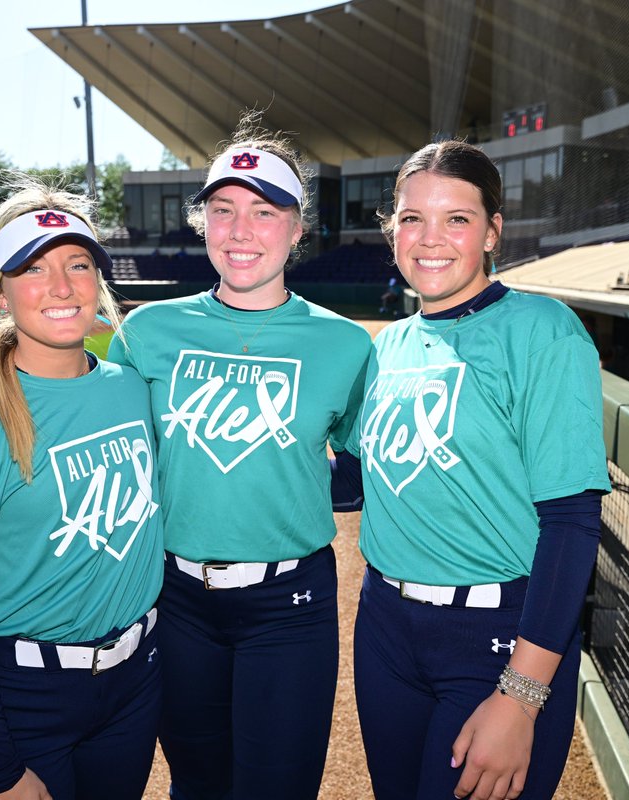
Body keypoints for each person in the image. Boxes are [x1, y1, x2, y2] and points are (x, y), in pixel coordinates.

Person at [107, 117, 372, 800]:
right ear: (204, 224)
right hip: (176, 600)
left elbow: (366, 462)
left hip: (291, 602)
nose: (240, 229)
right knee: (196, 784)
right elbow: (121, 463)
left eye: (263, 211)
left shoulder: (343, 345)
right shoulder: (147, 333)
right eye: (222, 210)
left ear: (296, 228)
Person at [338, 140, 611, 799]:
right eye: (411, 218)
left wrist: (520, 697)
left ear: (493, 231)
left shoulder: (543, 330)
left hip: (498, 634)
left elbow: (572, 523)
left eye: (456, 219)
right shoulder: (390, 345)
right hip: (384, 630)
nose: (430, 239)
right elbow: (348, 480)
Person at [0, 177, 166, 800]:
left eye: (78, 264)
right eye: (32, 269)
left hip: (132, 690)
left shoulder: (132, 389)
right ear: (1, 293)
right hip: (23, 705)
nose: (61, 286)